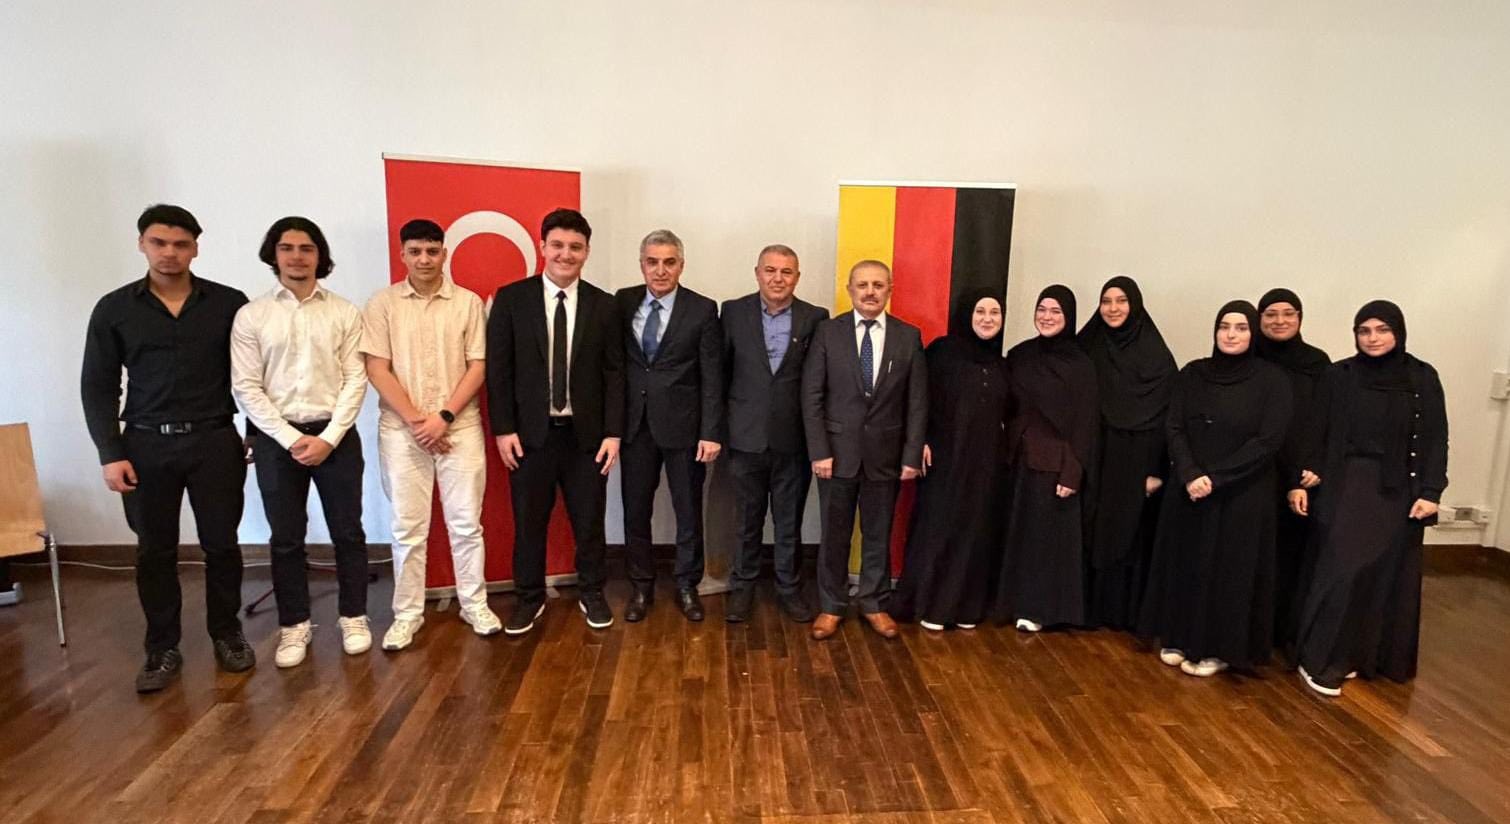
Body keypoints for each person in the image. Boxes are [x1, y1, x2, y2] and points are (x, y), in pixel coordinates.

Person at [81, 204, 255, 692]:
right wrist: (110, 452)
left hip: (214, 439)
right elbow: (98, 385)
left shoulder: (229, 304)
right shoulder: (115, 308)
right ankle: (161, 647)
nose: (170, 253)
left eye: (181, 244)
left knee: (222, 544)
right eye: (159, 242)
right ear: (142, 244)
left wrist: (255, 432)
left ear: (196, 248)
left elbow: (254, 374)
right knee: (154, 550)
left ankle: (228, 633)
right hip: (144, 444)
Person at [231, 217, 370, 667]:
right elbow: (246, 387)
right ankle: (294, 624)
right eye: (287, 248)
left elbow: (356, 379)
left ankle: (354, 616)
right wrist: (292, 439)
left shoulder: (344, 312)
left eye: (306, 248)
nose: (296, 257)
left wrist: (328, 438)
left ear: (319, 256)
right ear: (273, 254)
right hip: (278, 439)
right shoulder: (253, 315)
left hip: (336, 435)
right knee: (286, 537)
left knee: (348, 531)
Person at [1292, 301, 1447, 697]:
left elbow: (1435, 438)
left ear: (1399, 332)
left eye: (1382, 330)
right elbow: (1316, 428)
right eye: (1364, 331)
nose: (1373, 338)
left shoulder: (1421, 377)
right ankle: (1319, 658)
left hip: (1398, 488)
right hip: (1347, 482)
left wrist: (1431, 491)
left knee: (1383, 574)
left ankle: (1361, 656)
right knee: (1342, 570)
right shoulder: (1339, 375)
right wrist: (1304, 476)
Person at [361, 218, 498, 650]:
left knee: (466, 524)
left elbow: (478, 365)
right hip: (402, 431)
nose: (424, 259)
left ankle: (474, 603)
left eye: (432, 251)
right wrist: (418, 422)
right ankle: (407, 614)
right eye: (416, 251)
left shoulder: (467, 303)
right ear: (402, 254)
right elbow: (376, 368)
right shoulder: (382, 304)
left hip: (460, 426)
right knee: (407, 528)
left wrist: (443, 417)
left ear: (444, 254)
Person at [487, 208, 624, 635]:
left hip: (587, 438)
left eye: (575, 247)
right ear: (542, 246)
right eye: (558, 245)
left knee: (589, 523)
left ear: (587, 252)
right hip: (531, 437)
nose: (566, 254)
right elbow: (499, 370)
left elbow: (615, 373)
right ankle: (529, 599)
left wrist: (613, 433)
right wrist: (503, 429)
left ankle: (592, 592)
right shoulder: (512, 299)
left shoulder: (605, 305)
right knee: (529, 523)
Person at [1139, 301, 1291, 677]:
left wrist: (1216, 478)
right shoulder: (1193, 373)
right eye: (1225, 326)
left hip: (1242, 493)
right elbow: (1174, 426)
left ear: (1253, 333)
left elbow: (1268, 441)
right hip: (1190, 487)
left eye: (1241, 327)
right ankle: (1179, 636)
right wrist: (1191, 474)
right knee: (1187, 564)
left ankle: (1219, 649)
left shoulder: (1272, 381)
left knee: (1228, 572)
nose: (1231, 334)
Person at [801, 260, 926, 640]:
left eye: (878, 285)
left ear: (890, 289)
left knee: (877, 534)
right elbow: (811, 396)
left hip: (885, 456)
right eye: (862, 285)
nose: (870, 292)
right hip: (835, 456)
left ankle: (874, 603)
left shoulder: (908, 336)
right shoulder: (828, 333)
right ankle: (831, 605)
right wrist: (819, 451)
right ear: (850, 289)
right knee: (834, 536)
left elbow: (917, 403)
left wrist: (911, 455)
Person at [615, 230, 724, 623]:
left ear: (681, 265)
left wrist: (711, 431)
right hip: (635, 427)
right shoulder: (622, 301)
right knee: (635, 510)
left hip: (685, 429)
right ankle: (641, 586)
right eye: (652, 262)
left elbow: (712, 376)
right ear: (641, 264)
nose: (660, 270)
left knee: (687, 511)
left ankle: (687, 585)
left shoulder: (702, 309)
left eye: (669, 262)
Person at [721, 245, 828, 623]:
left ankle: (788, 589)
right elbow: (720, 374)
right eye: (770, 270)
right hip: (744, 437)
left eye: (786, 272)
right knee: (746, 522)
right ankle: (742, 589)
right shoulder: (732, 312)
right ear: (757, 273)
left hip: (793, 440)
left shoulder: (816, 318)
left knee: (788, 524)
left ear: (797, 277)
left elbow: (819, 382)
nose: (778, 278)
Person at [892, 289, 1008, 631]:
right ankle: (930, 604)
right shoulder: (942, 352)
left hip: (985, 464)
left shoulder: (1001, 362)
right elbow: (917, 397)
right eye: (980, 311)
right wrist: (921, 440)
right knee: (939, 527)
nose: (987, 319)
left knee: (975, 531)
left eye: (995, 313)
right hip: (943, 457)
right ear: (966, 314)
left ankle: (966, 608)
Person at [994, 285, 1098, 632]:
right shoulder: (1020, 354)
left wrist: (1072, 472)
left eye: (1056, 311)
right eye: (1042, 309)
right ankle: (1010, 603)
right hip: (1017, 458)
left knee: (1044, 540)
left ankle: (1039, 609)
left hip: (1055, 464)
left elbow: (1085, 422)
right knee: (1016, 534)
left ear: (1068, 317)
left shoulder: (1080, 364)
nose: (1047, 316)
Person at [1078, 276, 1177, 631]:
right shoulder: (1088, 347)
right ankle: (1084, 610)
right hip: (1095, 453)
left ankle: (1122, 614)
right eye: (1106, 301)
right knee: (1090, 528)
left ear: (1135, 305)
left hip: (1137, 460)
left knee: (1128, 533)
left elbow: (1169, 420)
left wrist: (1156, 470)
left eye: (1121, 301)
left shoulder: (1157, 359)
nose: (1113, 308)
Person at [1253, 288, 1331, 648]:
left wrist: (1315, 463)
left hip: (1301, 474)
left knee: (1292, 555)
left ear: (1300, 317)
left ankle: (1285, 634)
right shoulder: (1249, 357)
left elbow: (1327, 420)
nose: (1279, 321)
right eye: (1270, 314)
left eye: (1288, 313)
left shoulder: (1317, 363)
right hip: (1257, 472)